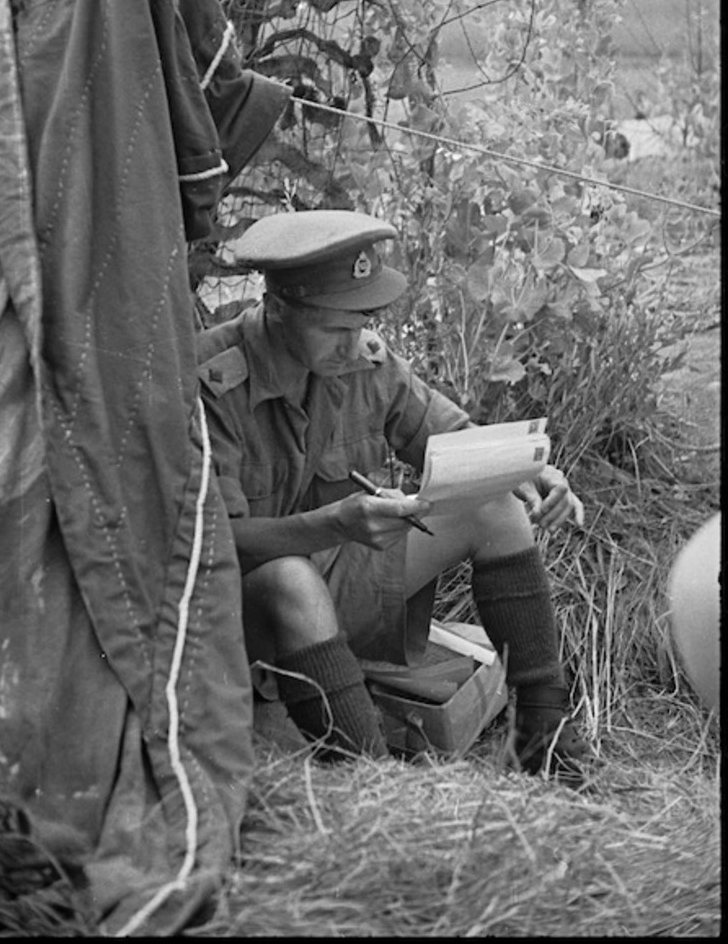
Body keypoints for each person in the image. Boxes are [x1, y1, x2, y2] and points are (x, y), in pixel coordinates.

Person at [197, 209, 591, 783]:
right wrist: (337, 523)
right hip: (236, 620)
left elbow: (455, 439)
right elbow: (212, 542)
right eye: (336, 328)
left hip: (332, 590)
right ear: (278, 310)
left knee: (496, 508)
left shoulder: (364, 359)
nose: (354, 343)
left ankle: (543, 742)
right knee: (290, 578)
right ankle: (376, 787)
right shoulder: (211, 381)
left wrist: (530, 469)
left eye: (363, 322)